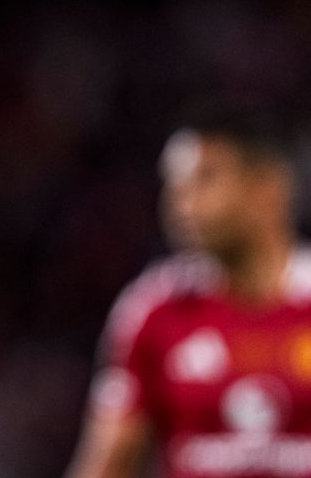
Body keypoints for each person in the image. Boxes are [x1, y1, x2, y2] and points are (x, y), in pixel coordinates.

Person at [66, 102, 311, 478]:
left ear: (269, 188)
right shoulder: (155, 307)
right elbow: (107, 467)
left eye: (205, 179)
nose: (182, 203)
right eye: (174, 185)